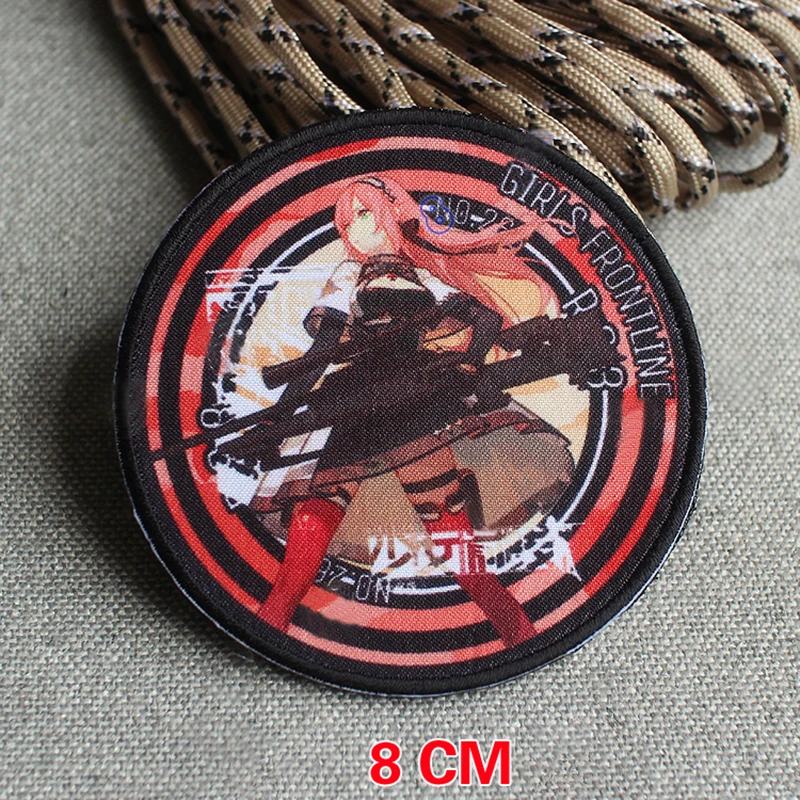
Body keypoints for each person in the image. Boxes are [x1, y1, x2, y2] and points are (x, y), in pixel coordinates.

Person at [246, 176, 575, 646]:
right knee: (312, 516)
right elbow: (320, 351)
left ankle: (521, 637)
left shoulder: (424, 274)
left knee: (455, 543)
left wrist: (469, 360)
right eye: (346, 221)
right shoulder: (348, 275)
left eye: (363, 213)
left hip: (419, 398)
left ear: (391, 214)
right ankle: (269, 628)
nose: (354, 229)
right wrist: (281, 414)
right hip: (356, 401)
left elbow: (485, 317)